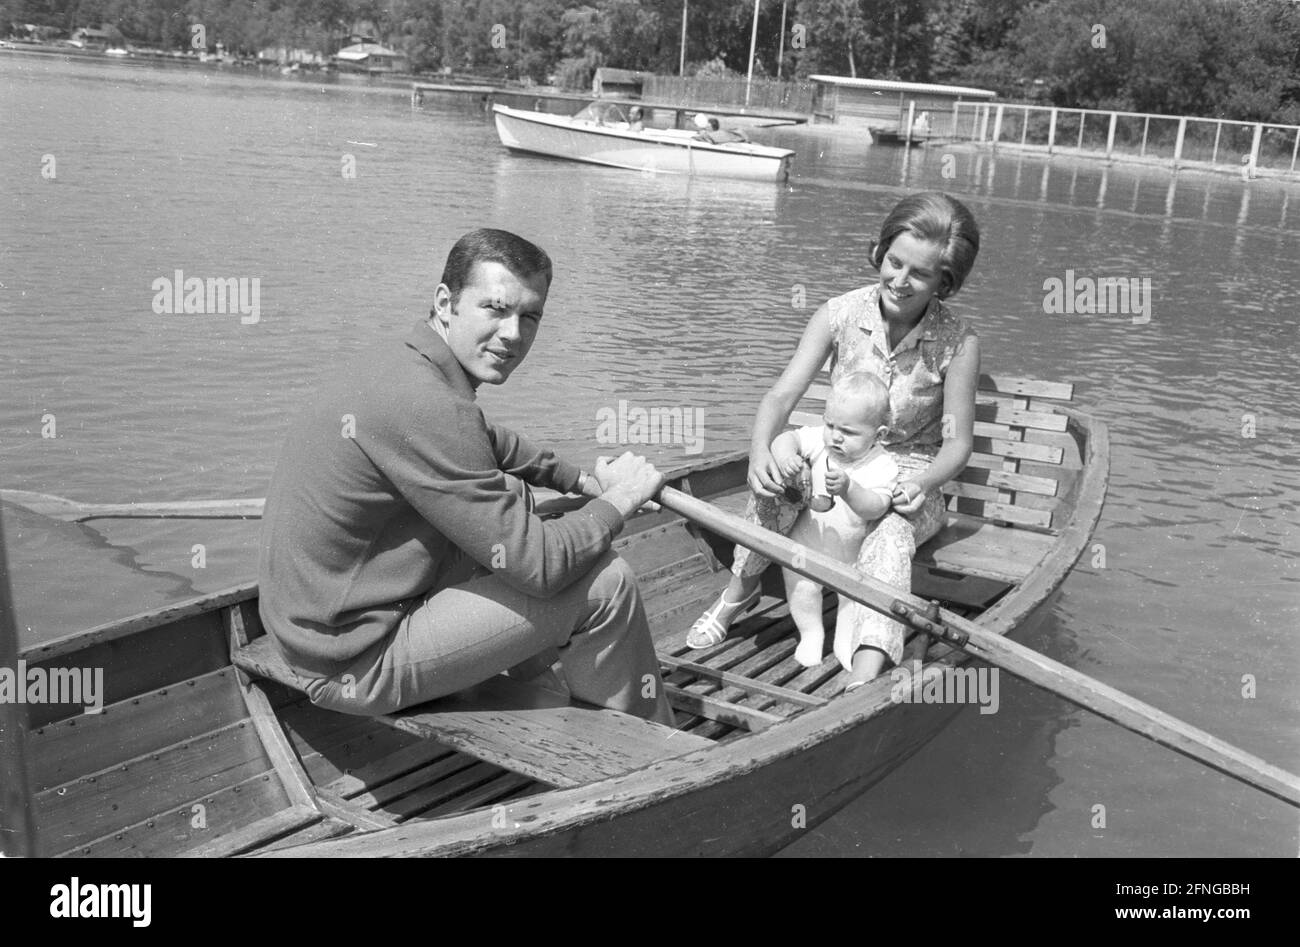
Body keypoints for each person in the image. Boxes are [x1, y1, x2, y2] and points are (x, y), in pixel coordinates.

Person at [258, 228, 674, 724]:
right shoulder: (429, 405)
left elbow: (485, 438)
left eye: (530, 316)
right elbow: (541, 566)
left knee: (517, 502)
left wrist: (582, 483)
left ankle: (538, 680)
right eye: (495, 309)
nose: (513, 334)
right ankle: (656, 749)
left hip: (309, 630)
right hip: (351, 662)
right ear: (445, 302)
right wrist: (620, 500)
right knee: (606, 582)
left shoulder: (402, 363)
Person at [687, 192, 981, 691]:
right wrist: (761, 452)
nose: (900, 280)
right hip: (837, 458)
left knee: (890, 531)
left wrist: (925, 483)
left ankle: (867, 666)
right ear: (880, 253)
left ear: (944, 282)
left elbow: (957, 444)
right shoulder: (838, 314)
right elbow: (781, 396)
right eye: (894, 262)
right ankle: (739, 592)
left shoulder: (959, 342)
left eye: (920, 274)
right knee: (781, 483)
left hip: (908, 480)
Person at [689, 374, 899, 669]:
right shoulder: (821, 443)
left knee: (851, 603)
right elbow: (786, 439)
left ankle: (844, 642)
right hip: (804, 549)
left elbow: (876, 507)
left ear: (878, 434)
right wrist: (787, 455)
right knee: (803, 594)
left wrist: (850, 489)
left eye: (848, 432)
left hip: (852, 559)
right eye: (830, 425)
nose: (835, 437)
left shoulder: (881, 464)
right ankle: (810, 635)